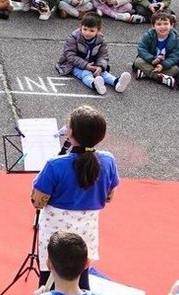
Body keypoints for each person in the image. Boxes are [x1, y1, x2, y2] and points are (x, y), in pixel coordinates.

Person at [29, 106, 120, 281]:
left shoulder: (55, 165)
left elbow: (37, 202)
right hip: (87, 231)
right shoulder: (108, 161)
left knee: (50, 280)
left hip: (56, 235)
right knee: (81, 276)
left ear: (70, 133)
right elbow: (109, 196)